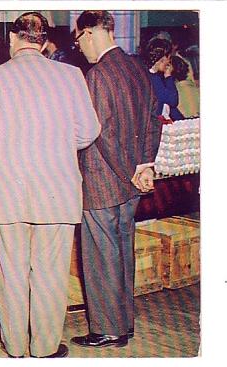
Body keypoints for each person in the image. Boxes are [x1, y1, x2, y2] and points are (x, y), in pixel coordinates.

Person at [0, 12, 101, 358]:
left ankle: (15, 347)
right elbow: (89, 131)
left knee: (11, 272)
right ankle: (43, 348)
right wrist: (56, 143)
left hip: (8, 192)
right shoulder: (71, 76)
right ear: (44, 42)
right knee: (50, 274)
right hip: (56, 190)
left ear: (13, 40)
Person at [71, 11, 162, 348]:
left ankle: (108, 329)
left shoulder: (98, 75)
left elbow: (99, 135)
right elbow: (154, 120)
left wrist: (129, 172)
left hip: (103, 181)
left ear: (92, 33)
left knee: (99, 257)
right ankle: (125, 323)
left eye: (79, 39)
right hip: (131, 183)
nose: (79, 47)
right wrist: (144, 166)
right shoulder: (136, 67)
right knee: (122, 251)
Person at [143, 38, 184, 121]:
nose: (169, 61)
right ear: (162, 58)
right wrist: (168, 76)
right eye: (169, 57)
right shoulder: (153, 78)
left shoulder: (151, 74)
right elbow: (173, 100)